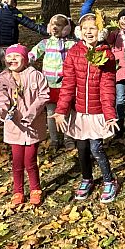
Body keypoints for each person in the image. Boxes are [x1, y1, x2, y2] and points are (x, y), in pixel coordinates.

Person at [53, 14, 120, 203]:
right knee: (82, 148)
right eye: (85, 28)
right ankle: (87, 178)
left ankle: (109, 180)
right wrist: (61, 110)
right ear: (79, 31)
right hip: (79, 112)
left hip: (97, 112)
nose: (89, 32)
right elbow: (68, 84)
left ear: (100, 31)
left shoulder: (106, 55)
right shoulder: (74, 52)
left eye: (93, 28)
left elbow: (107, 87)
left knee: (96, 148)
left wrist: (110, 114)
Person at [0, 44, 50, 206]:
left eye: (16, 56)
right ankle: (18, 191)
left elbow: (43, 96)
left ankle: (35, 189)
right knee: (17, 162)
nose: (12, 59)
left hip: (32, 126)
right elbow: (1, 98)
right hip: (14, 126)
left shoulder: (36, 76)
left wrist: (30, 114)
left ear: (25, 59)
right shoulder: (3, 78)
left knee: (30, 160)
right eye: (9, 56)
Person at [29, 14, 76, 152]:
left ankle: (68, 138)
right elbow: (33, 54)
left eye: (59, 25)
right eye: (53, 25)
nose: (55, 28)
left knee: (66, 111)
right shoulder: (46, 43)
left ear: (66, 28)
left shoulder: (71, 44)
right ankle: (54, 139)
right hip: (48, 84)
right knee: (50, 112)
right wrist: (23, 59)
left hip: (65, 85)